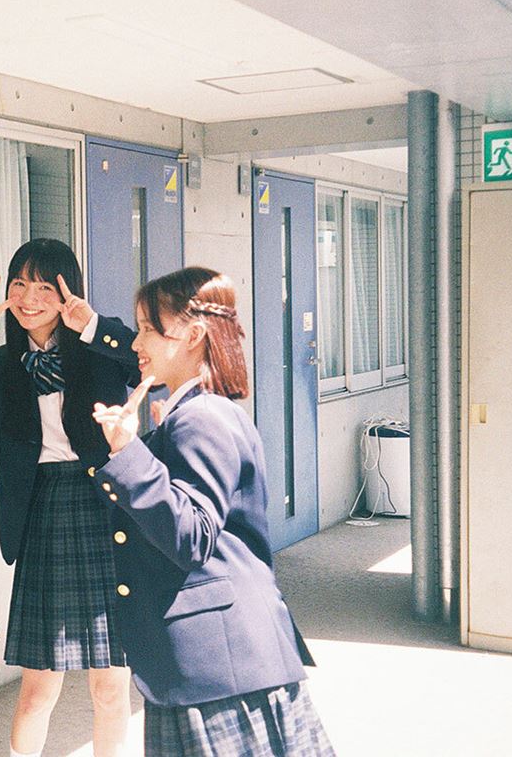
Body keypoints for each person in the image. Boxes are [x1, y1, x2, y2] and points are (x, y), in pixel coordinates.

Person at [91, 266, 334, 757]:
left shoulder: (201, 417)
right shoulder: (195, 413)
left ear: (194, 335)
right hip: (215, 663)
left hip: (218, 666)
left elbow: (192, 536)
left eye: (148, 329)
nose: (136, 343)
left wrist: (129, 451)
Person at [0, 238, 138, 757]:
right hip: (43, 508)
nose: (30, 298)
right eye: (20, 285)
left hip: (105, 507)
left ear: (67, 293)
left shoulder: (97, 351)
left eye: (44, 287)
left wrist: (92, 324)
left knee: (111, 685)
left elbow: (144, 363)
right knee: (39, 687)